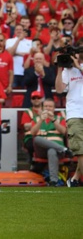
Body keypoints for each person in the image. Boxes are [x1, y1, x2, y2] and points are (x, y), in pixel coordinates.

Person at [55, 40, 83, 187]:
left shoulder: (78, 67)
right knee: (80, 149)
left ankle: (75, 179)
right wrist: (60, 69)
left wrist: (79, 67)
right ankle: (75, 179)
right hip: (75, 113)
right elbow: (59, 90)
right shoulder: (68, 70)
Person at [30, 98, 73, 186]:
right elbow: (33, 133)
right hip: (41, 150)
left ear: (54, 108)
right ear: (42, 108)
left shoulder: (60, 118)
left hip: (57, 152)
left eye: (50, 106)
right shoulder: (37, 119)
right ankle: (64, 149)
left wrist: (53, 120)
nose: (48, 108)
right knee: (37, 138)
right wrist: (41, 120)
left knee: (51, 151)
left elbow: (64, 131)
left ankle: (54, 181)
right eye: (46, 106)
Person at [21, 91, 43, 166]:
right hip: (31, 137)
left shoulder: (46, 110)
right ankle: (32, 162)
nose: (36, 99)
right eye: (34, 98)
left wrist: (33, 123)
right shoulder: (28, 111)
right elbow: (26, 126)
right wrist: (41, 120)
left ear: (42, 99)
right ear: (31, 100)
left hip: (45, 136)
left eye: (38, 98)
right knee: (31, 145)